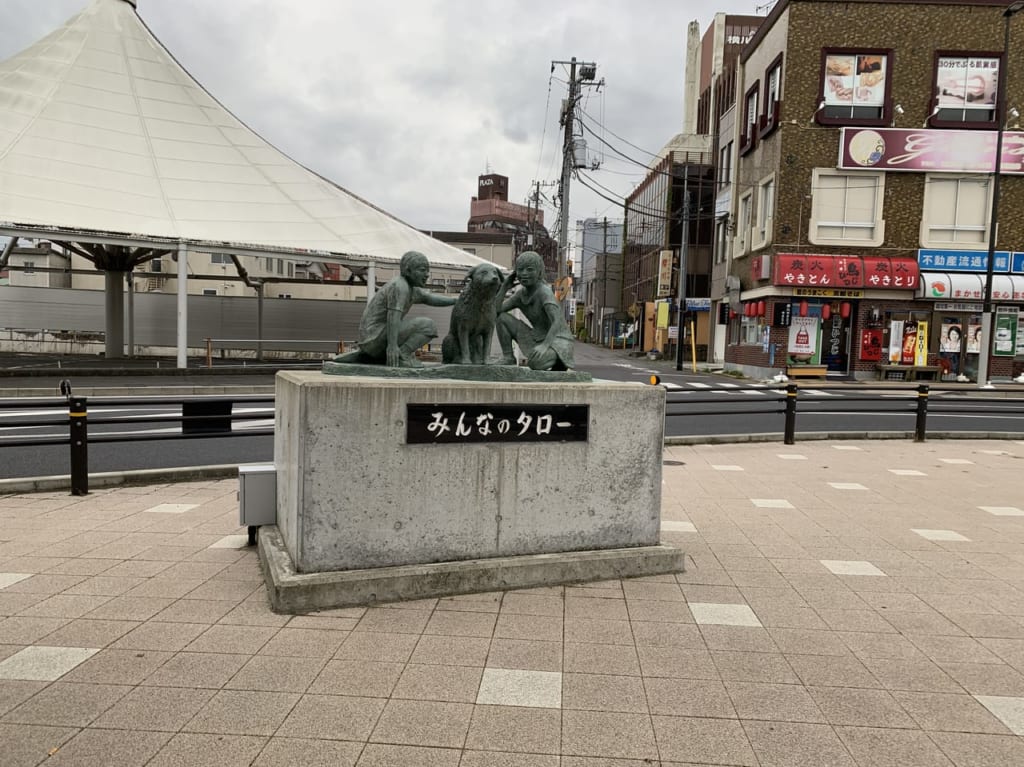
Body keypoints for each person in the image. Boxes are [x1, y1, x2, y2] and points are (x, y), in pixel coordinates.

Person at [334, 251, 456, 368]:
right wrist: (392, 347)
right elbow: (393, 317)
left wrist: (455, 301)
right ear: (408, 270)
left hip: (373, 339)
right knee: (428, 326)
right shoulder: (399, 286)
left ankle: (396, 354)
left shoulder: (411, 288)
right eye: (422, 270)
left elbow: (430, 298)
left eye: (427, 271)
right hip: (374, 338)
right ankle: (402, 355)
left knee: (426, 325)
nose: (427, 275)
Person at [495, 250, 575, 370]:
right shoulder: (520, 295)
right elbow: (496, 311)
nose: (524, 274)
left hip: (557, 342)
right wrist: (504, 287)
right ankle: (508, 357)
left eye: (530, 269)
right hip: (537, 338)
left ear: (539, 272)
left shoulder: (544, 292)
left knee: (535, 363)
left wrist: (544, 346)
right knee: (502, 318)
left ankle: (557, 360)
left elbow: (557, 321)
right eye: (520, 270)